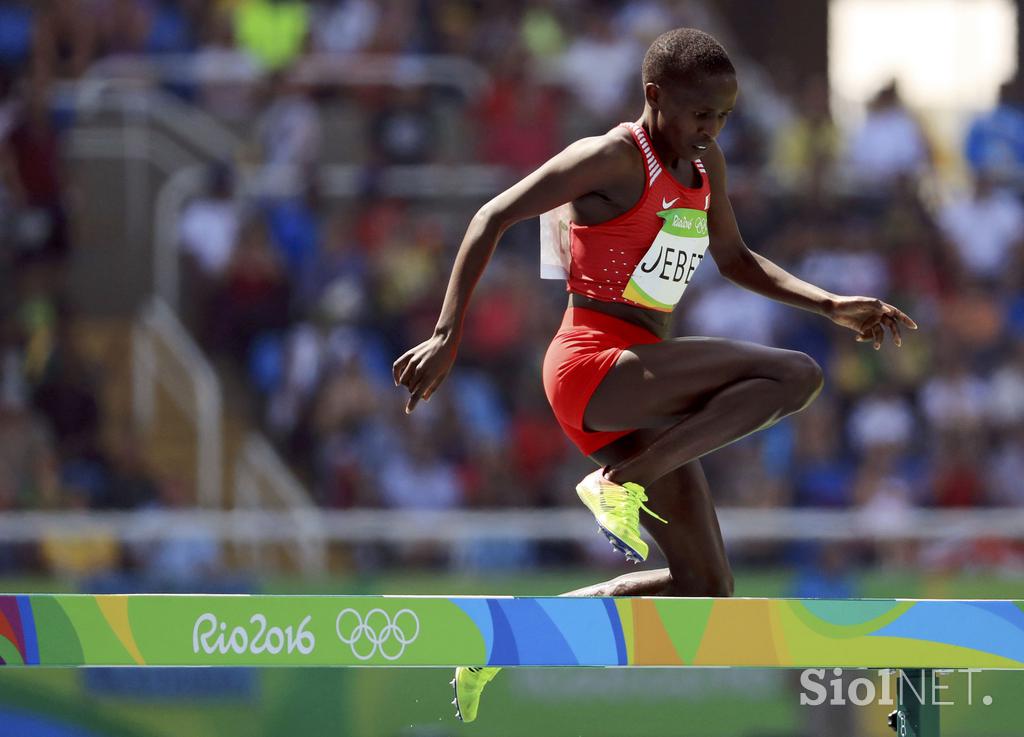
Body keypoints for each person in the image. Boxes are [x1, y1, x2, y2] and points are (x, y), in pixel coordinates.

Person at [392, 27, 916, 723]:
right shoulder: (611, 157)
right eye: (701, 114)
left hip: (645, 385)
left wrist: (829, 302)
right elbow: (493, 215)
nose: (712, 130)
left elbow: (735, 260)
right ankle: (623, 482)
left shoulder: (705, 167)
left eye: (725, 116)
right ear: (654, 96)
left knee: (705, 591)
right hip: (592, 364)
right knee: (796, 376)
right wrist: (445, 334)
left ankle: (510, 635)